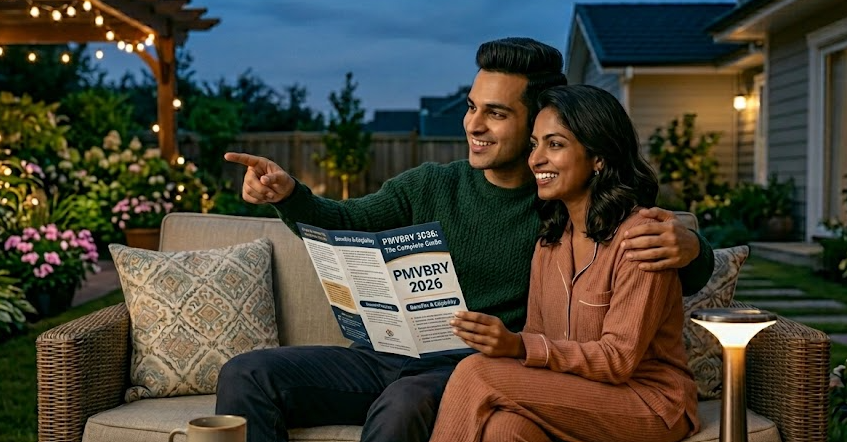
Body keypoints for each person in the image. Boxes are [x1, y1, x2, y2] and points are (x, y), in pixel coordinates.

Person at [218, 38, 712, 442]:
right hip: (388, 356)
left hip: (470, 365)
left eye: (495, 113)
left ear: (541, 118)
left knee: (408, 404)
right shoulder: (436, 186)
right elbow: (343, 220)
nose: (473, 124)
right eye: (473, 106)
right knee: (247, 374)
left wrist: (692, 245)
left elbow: (646, 250)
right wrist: (287, 195)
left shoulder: (558, 207)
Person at [428, 84, 700, 442]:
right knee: (504, 430)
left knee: (476, 373)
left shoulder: (642, 238)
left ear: (598, 158)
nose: (536, 159)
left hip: (649, 401)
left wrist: (518, 346)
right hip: (576, 391)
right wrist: (512, 340)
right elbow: (539, 334)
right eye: (534, 144)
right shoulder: (550, 243)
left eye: (554, 145)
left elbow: (618, 360)